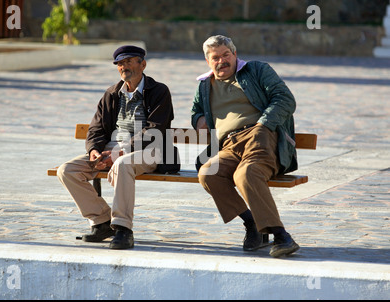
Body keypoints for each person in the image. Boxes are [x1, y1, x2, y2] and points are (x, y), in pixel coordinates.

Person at [191, 35, 300, 258]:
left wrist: (263, 125)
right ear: (208, 61)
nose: (221, 61)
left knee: (246, 174)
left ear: (235, 55)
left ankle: (281, 235)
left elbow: (285, 99)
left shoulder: (257, 70)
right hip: (229, 144)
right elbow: (196, 111)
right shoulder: (204, 85)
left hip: (260, 135)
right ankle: (252, 223)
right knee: (208, 173)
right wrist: (199, 119)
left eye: (226, 55)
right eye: (215, 57)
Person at [58, 45, 174, 249]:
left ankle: (123, 229)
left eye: (129, 62)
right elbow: (96, 128)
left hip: (150, 149)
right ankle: (102, 221)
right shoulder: (112, 93)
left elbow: (154, 129)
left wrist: (120, 152)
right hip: (113, 148)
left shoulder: (159, 91)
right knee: (67, 170)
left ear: (143, 64)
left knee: (122, 163)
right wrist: (94, 151)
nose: (123, 67)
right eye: (120, 63)